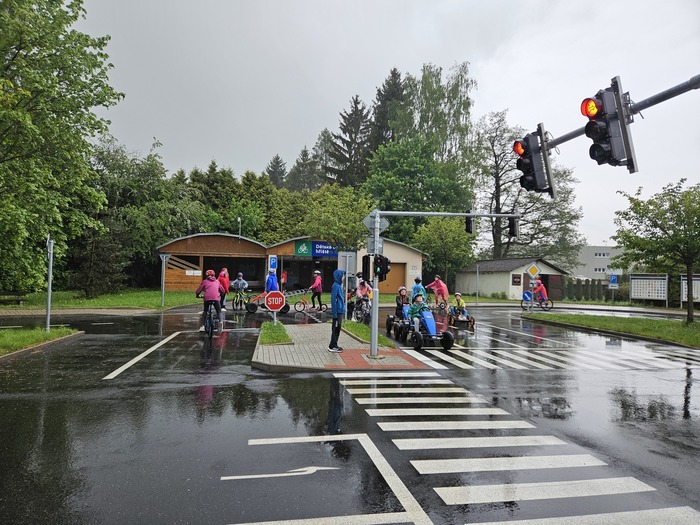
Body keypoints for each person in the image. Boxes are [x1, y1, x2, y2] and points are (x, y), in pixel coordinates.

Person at [328, 269, 346, 353]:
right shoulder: (336, 286)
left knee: (338, 328)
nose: (343, 277)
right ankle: (332, 345)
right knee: (335, 328)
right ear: (339, 276)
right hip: (337, 312)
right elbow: (333, 300)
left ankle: (335, 344)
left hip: (340, 311)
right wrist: (335, 314)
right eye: (343, 276)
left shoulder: (339, 285)